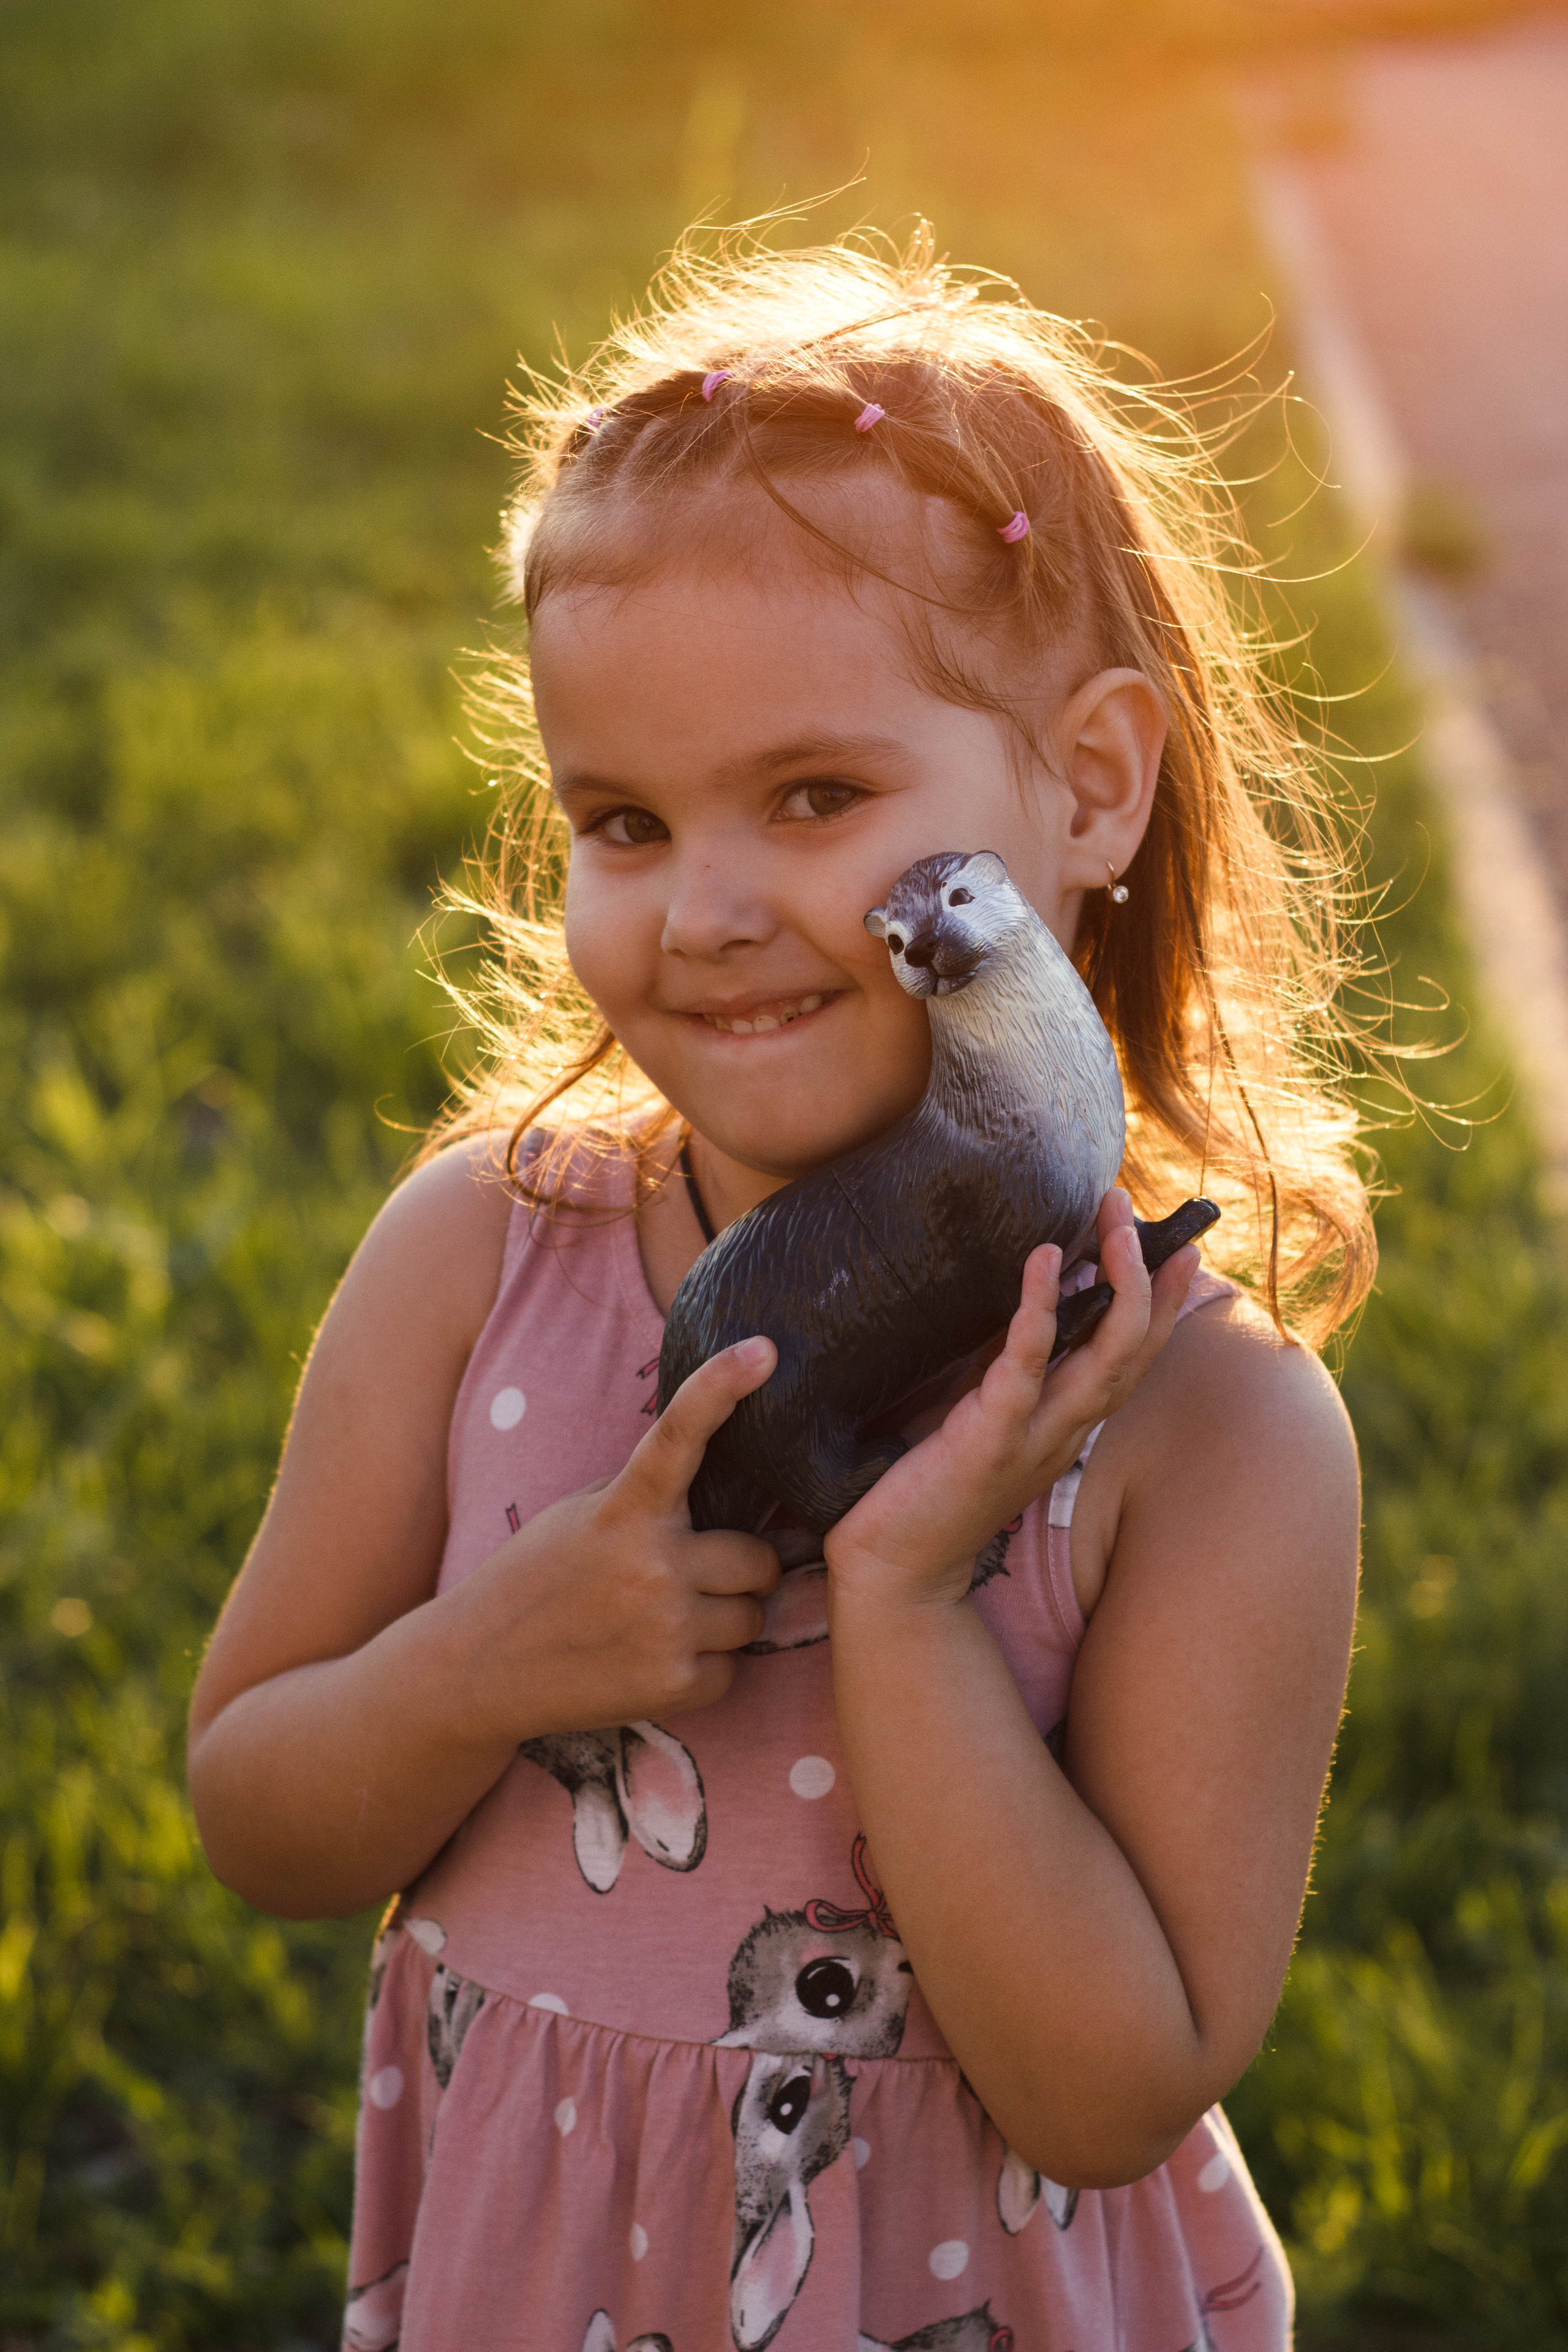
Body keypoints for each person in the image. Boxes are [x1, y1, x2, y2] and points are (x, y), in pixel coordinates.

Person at [187, 230, 1365, 2352]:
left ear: (1087, 786)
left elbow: (1110, 2090)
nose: (708, 910)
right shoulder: (482, 1261)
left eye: (814, 797)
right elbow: (256, 1810)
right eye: (621, 822)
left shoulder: (1199, 1428)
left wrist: (905, 1606)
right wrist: (484, 1665)